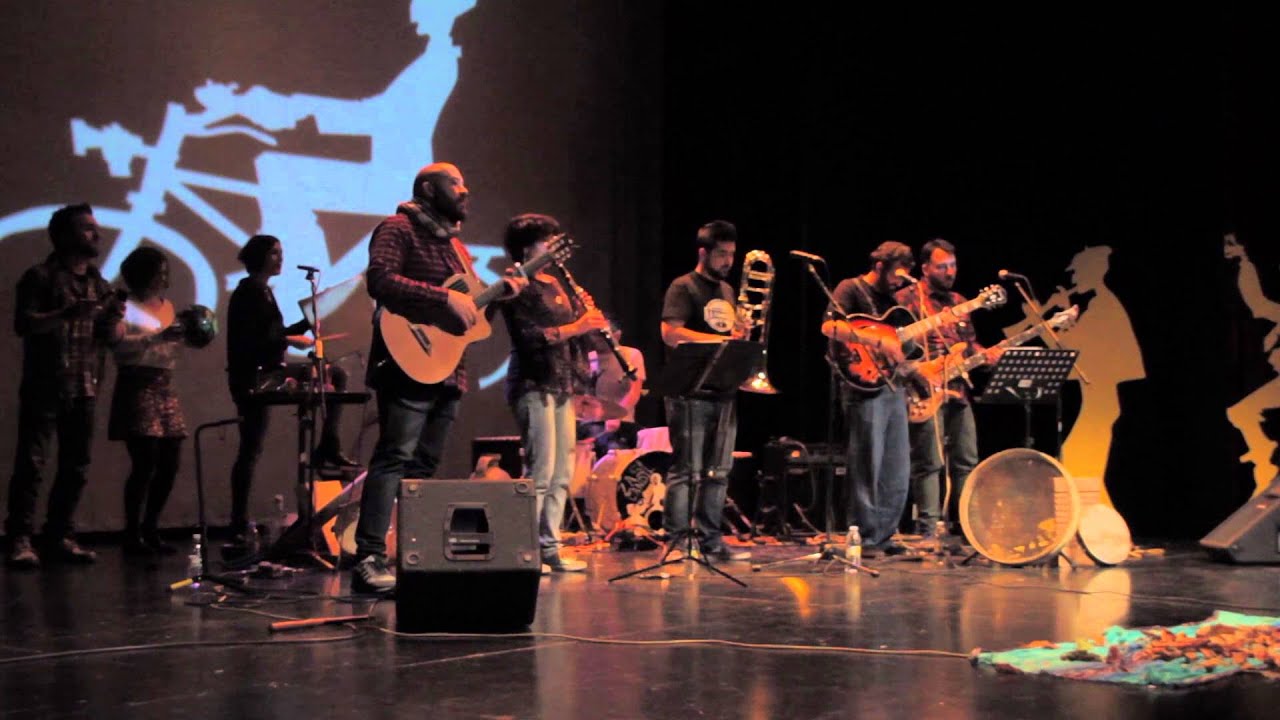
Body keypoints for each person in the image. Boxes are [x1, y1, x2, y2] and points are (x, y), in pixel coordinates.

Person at [352, 162, 525, 592]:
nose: (465, 190)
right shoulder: (398, 228)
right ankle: (369, 557)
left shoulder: (456, 248)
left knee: (423, 464)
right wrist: (442, 295)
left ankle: (411, 552)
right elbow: (380, 280)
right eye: (456, 183)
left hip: (449, 369)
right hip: (406, 359)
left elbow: (475, 318)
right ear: (429, 189)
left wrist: (503, 295)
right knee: (394, 455)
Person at [6, 203, 123, 567]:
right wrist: (65, 314)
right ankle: (20, 539)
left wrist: (114, 318)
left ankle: (60, 535)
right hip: (46, 384)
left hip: (85, 385)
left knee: (76, 466)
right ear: (64, 235)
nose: (96, 234)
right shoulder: (40, 277)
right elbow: (25, 324)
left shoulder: (99, 284)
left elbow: (111, 338)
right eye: (87, 228)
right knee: (32, 464)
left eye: (95, 227)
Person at [225, 234, 358, 546]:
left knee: (336, 373)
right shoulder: (250, 292)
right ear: (259, 256)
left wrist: (305, 322)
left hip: (269, 371)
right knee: (250, 449)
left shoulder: (262, 292)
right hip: (256, 377)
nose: (280, 258)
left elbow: (273, 333)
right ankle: (238, 519)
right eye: (274, 253)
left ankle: (329, 443)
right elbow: (256, 341)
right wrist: (289, 340)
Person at [500, 213, 605, 572]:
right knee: (541, 471)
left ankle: (551, 547)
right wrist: (578, 325)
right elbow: (532, 338)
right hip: (533, 383)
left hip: (562, 384)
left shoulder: (558, 285)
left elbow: (577, 339)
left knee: (562, 472)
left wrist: (592, 323)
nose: (556, 248)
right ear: (530, 247)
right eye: (550, 241)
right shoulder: (517, 284)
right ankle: (526, 550)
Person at [894, 239, 1000, 538]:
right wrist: (919, 373)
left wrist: (986, 354)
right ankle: (927, 531)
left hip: (958, 388)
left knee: (967, 459)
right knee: (930, 461)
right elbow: (897, 347)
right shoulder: (906, 299)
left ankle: (967, 529)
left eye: (953, 265)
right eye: (942, 266)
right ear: (925, 268)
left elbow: (967, 344)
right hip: (924, 389)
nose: (949, 272)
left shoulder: (959, 300)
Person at [820, 241, 921, 556]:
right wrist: (873, 337)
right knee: (868, 462)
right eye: (895, 274)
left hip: (892, 384)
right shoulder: (850, 288)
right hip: (861, 385)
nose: (898, 281)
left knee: (896, 463)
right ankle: (864, 535)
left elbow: (904, 348)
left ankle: (885, 534)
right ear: (880, 266)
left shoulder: (895, 300)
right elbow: (829, 326)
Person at [658, 220, 751, 562]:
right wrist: (720, 341)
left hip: (723, 392)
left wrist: (739, 336)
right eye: (722, 254)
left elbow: (728, 336)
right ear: (704, 252)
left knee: (719, 471)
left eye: (731, 254)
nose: (728, 261)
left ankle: (711, 540)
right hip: (690, 391)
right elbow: (670, 333)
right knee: (687, 470)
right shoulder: (683, 287)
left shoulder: (727, 292)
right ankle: (677, 541)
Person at [108, 247, 191, 556]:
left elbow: (170, 348)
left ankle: (151, 526)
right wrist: (156, 339)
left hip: (164, 383)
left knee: (170, 461)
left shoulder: (167, 306)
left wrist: (184, 336)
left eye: (165, 270)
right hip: (135, 382)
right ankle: (132, 532)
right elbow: (116, 344)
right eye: (158, 270)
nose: (164, 276)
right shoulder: (123, 306)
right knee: (145, 461)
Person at [585, 314, 647, 458]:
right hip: (593, 422)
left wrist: (615, 416)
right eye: (593, 334)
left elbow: (634, 391)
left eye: (601, 334)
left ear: (617, 335)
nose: (596, 339)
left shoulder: (631, 355)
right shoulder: (588, 358)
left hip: (622, 422)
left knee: (614, 450)